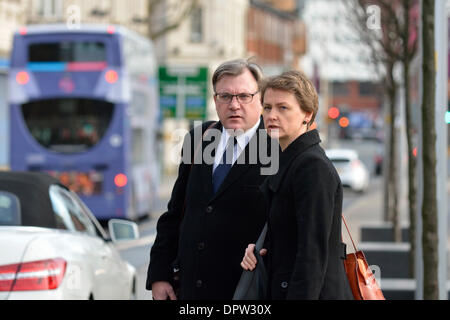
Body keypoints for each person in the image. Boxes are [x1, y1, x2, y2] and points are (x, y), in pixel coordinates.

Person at [147, 59, 275, 300]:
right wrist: (159, 275)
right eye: (225, 96)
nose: (234, 105)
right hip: (191, 291)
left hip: (246, 291)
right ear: (215, 101)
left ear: (260, 99)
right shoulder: (199, 137)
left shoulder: (276, 147)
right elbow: (174, 214)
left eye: (244, 96)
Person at [240, 70, 353, 300]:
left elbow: (312, 255)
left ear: (307, 114)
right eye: (268, 107)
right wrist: (262, 250)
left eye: (283, 108)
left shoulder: (311, 167)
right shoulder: (290, 161)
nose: (271, 115)